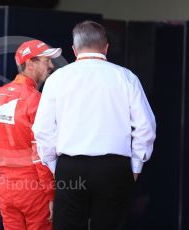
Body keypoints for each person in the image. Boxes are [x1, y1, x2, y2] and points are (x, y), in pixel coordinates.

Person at [32, 21, 156, 230]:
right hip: (114, 168)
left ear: (74, 49)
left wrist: (55, 167)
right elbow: (146, 128)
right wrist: (136, 165)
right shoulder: (126, 77)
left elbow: (43, 129)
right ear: (106, 47)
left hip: (70, 167)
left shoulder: (58, 79)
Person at [0, 39, 62, 230]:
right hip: (35, 188)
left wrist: (10, 158)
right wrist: (51, 195)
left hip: (6, 187)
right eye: (46, 60)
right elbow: (40, 154)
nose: (51, 65)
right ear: (30, 63)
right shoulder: (37, 100)